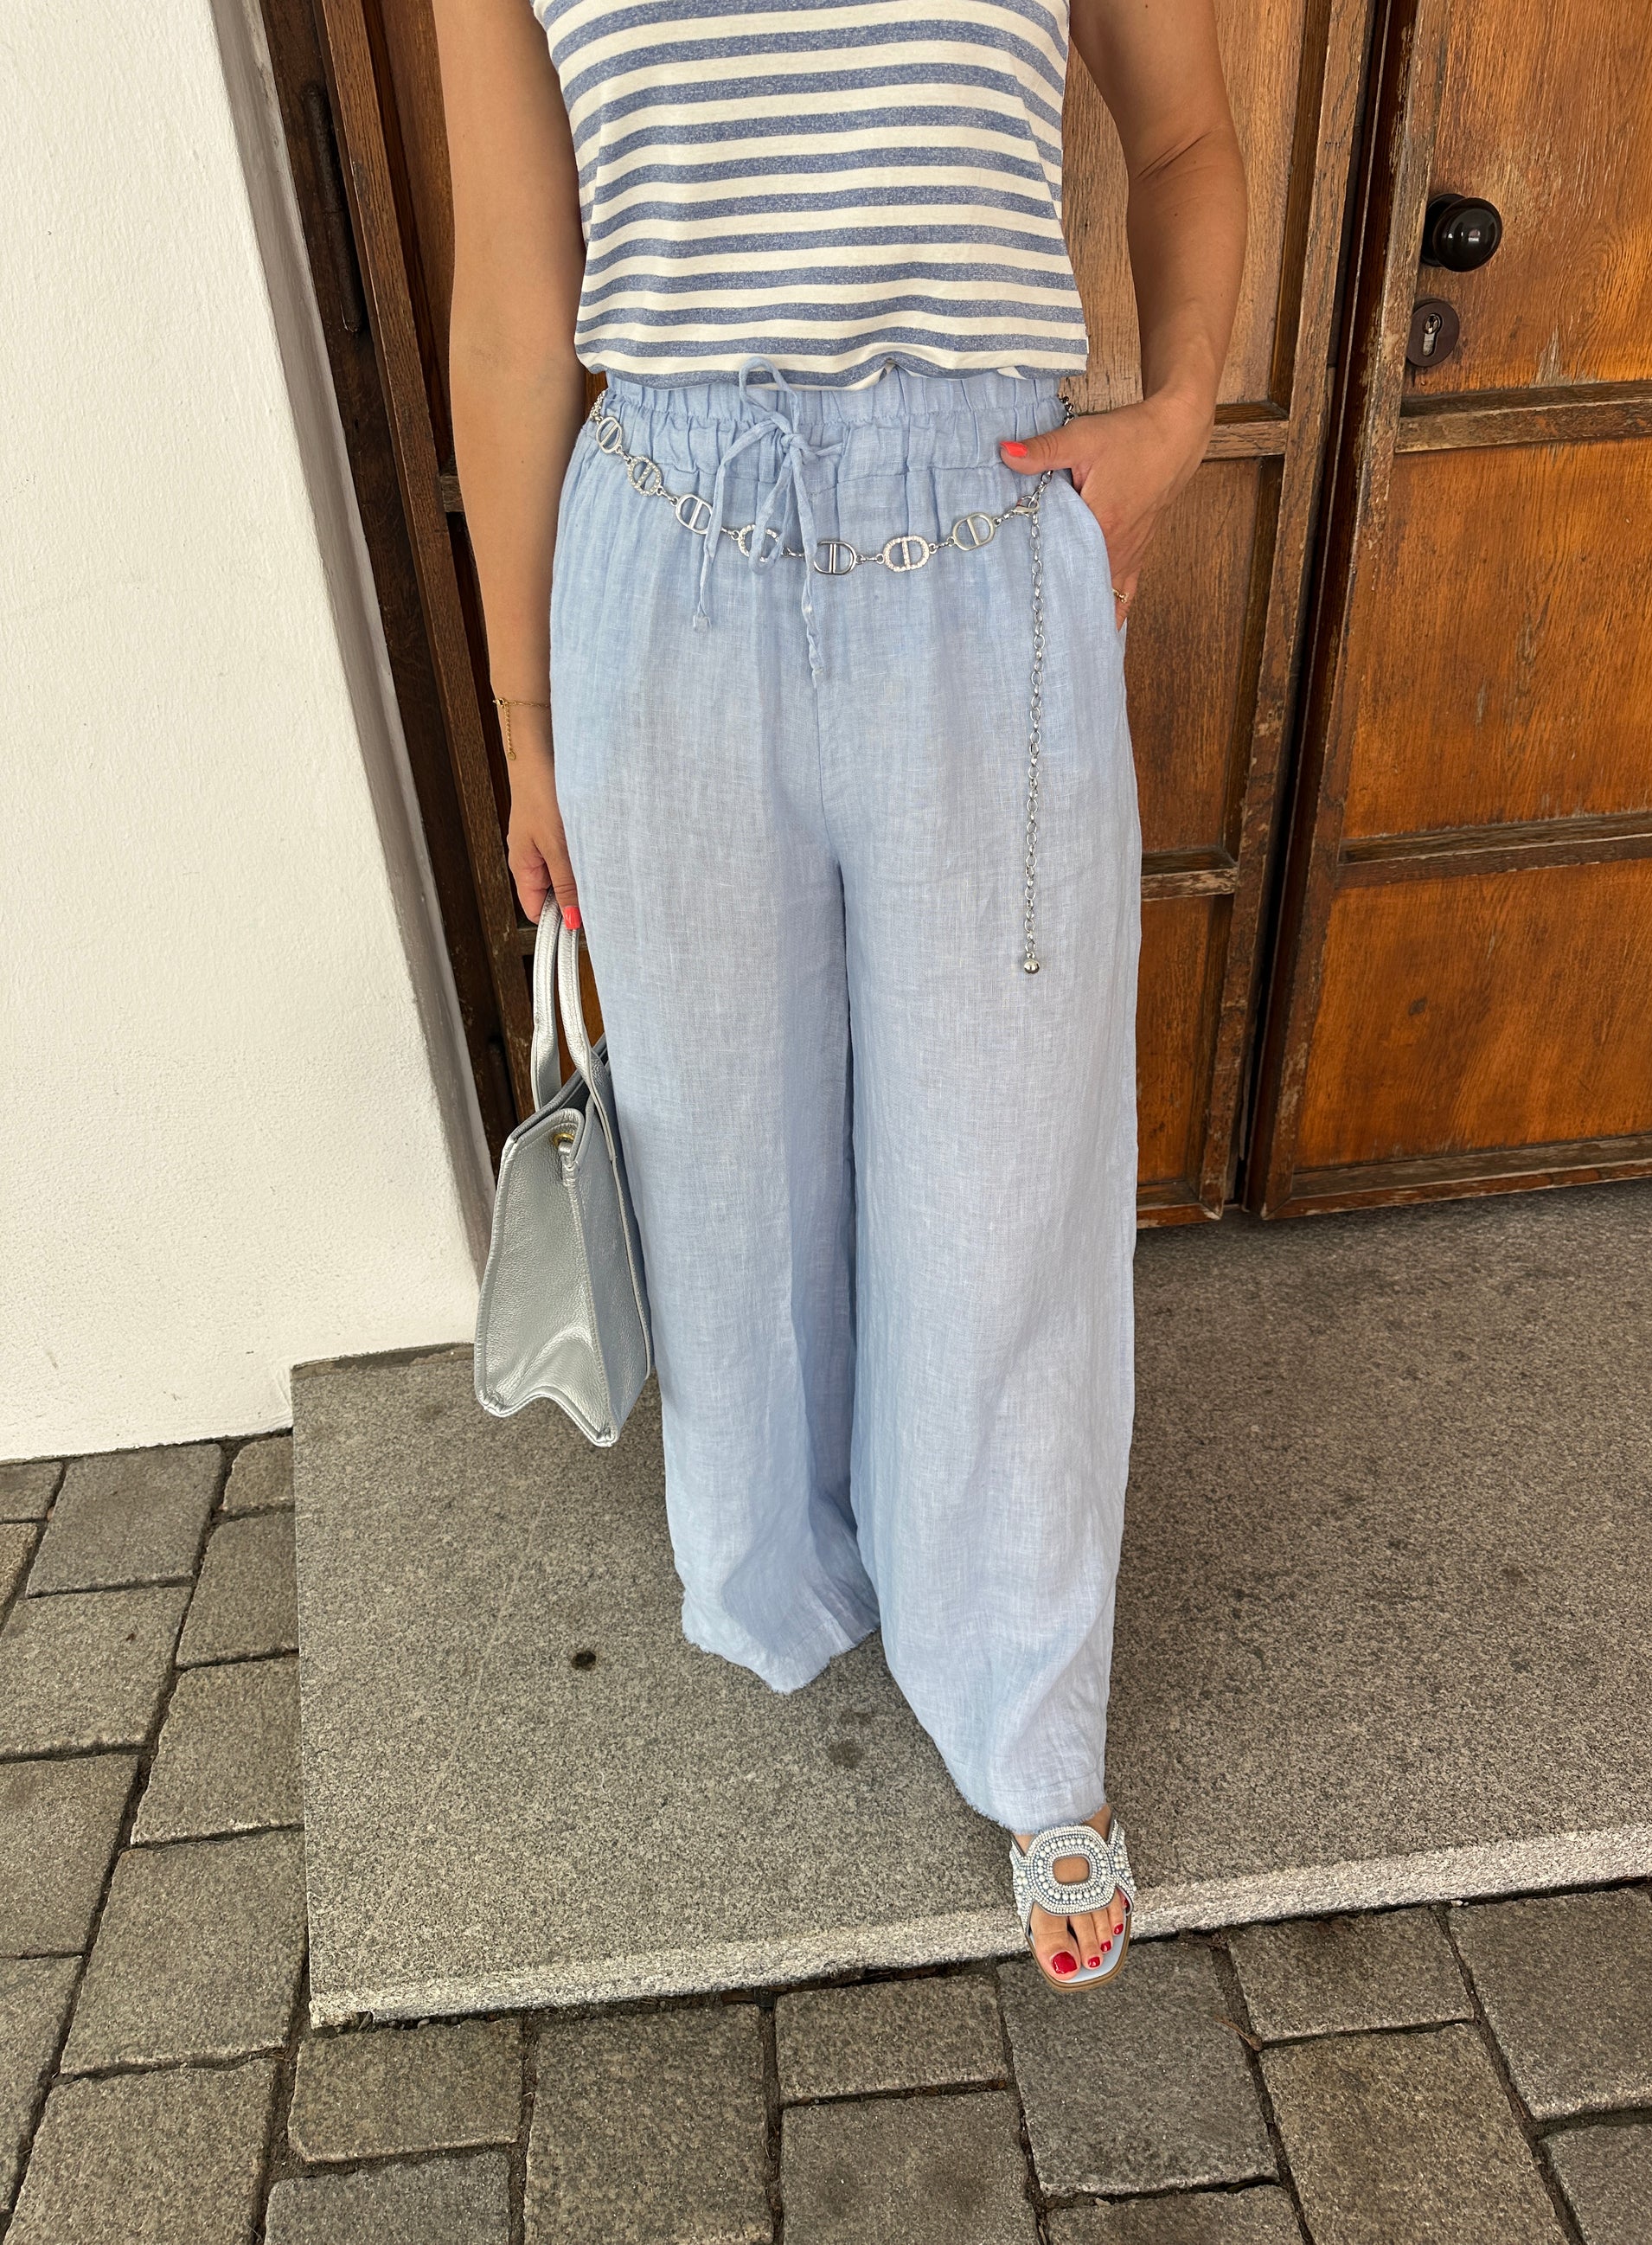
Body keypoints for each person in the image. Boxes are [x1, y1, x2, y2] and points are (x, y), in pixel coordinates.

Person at [434, 0, 1245, 1988]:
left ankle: (1021, 1696)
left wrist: (1174, 421)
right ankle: (777, 1557)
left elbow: (1184, 135)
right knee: (721, 1153)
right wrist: (526, 719)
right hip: (662, 558)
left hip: (980, 530)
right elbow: (515, 296)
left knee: (1003, 1169)